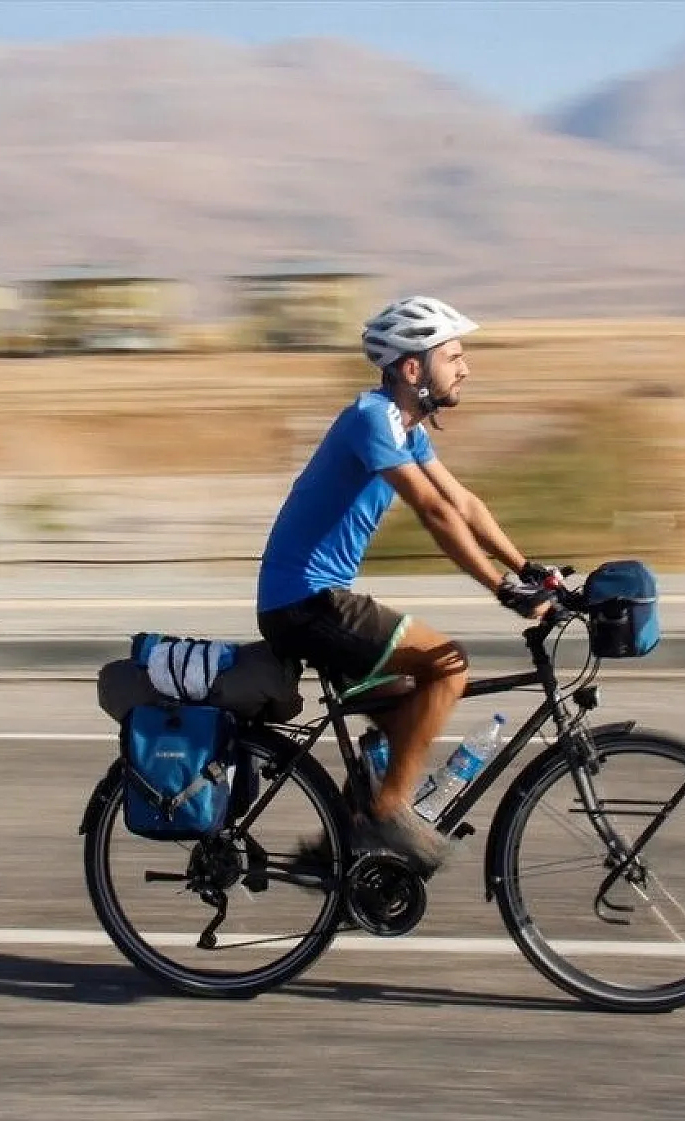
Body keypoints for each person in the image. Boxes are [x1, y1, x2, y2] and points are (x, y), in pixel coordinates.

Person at [254, 295, 560, 874]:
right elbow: (434, 512)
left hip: (313, 599)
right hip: (305, 601)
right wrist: (500, 588)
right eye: (454, 356)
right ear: (413, 368)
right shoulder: (371, 419)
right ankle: (388, 812)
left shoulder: (404, 427)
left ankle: (344, 851)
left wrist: (529, 570)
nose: (465, 368)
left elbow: (461, 502)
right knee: (448, 664)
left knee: (408, 721)